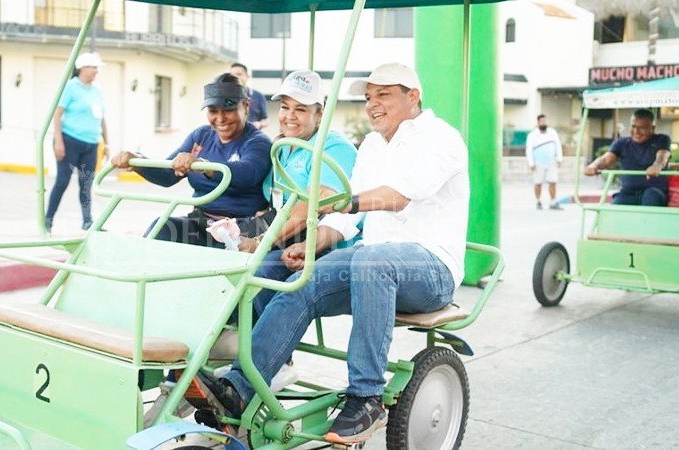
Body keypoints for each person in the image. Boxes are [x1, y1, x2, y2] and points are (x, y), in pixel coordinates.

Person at [184, 62, 470, 445]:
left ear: (413, 96)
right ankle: (240, 387)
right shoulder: (372, 145)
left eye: (383, 95)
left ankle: (366, 397)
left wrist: (346, 202)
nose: (372, 104)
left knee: (371, 261)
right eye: (368, 97)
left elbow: (399, 196)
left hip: (431, 266)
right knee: (300, 282)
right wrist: (314, 243)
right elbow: (350, 220)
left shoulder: (441, 138)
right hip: (372, 259)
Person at [237, 70, 357, 319]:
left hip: (317, 236)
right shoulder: (282, 146)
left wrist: (259, 242)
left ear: (319, 114)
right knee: (216, 247)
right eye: (285, 107)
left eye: (300, 109)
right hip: (280, 226)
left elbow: (307, 209)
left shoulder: (333, 147)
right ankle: (220, 331)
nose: (289, 116)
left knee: (260, 270)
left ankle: (251, 339)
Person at [110, 73, 272, 247]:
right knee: (161, 228)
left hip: (243, 227)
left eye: (228, 110)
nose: (220, 119)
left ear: (246, 106)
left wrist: (205, 166)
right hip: (203, 224)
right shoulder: (200, 136)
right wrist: (136, 161)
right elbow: (167, 175)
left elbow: (248, 173)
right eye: (213, 111)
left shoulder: (258, 142)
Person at [45, 52, 110, 233]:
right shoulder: (70, 87)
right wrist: (58, 142)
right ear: (82, 68)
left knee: (87, 183)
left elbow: (102, 118)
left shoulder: (97, 90)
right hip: (69, 141)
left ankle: (87, 221)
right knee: (62, 181)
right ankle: (48, 220)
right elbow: (57, 115)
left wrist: (107, 143)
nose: (96, 71)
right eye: (93, 67)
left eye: (97, 68)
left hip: (91, 144)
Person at [584, 108, 671, 206]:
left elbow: (662, 156)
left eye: (642, 128)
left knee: (651, 197)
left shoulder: (661, 139)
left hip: (653, 191)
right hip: (628, 192)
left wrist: (657, 166)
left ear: (652, 129)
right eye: (633, 126)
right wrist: (593, 165)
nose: (636, 131)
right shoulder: (622, 142)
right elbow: (606, 159)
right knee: (616, 205)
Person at [526, 114, 563, 210]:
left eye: (545, 121)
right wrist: (531, 163)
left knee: (553, 182)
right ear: (538, 122)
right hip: (538, 163)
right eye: (542, 121)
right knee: (538, 183)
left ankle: (553, 202)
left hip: (551, 162)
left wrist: (559, 158)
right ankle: (538, 201)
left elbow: (558, 145)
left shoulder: (552, 133)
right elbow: (529, 149)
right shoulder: (532, 135)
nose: (544, 123)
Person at [230, 62, 269, 130]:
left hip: (252, 134)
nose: (235, 77)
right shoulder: (222, 96)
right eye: (232, 75)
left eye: (239, 74)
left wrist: (259, 124)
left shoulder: (258, 96)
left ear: (247, 77)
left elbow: (265, 120)